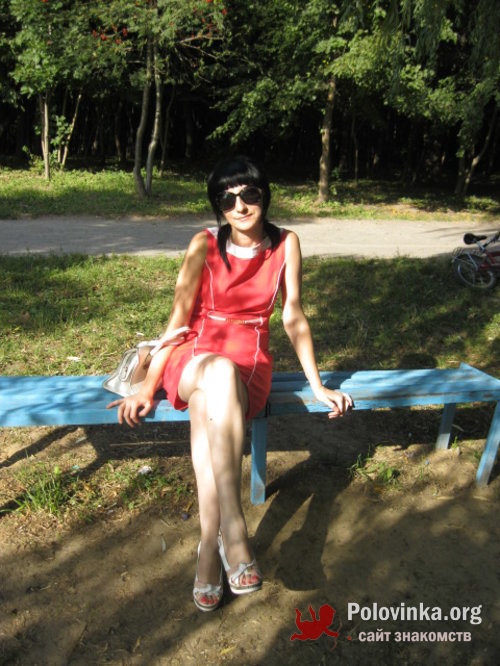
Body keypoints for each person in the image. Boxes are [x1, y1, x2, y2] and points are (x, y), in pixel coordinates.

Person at [107, 155, 353, 612]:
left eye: (249, 194)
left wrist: (317, 386)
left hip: (250, 361)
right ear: (217, 206)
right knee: (216, 373)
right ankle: (234, 530)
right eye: (227, 199)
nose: (239, 206)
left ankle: (208, 544)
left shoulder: (286, 244)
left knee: (208, 408)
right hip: (195, 355)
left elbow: (293, 316)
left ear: (265, 195)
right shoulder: (203, 244)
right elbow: (178, 319)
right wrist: (147, 386)